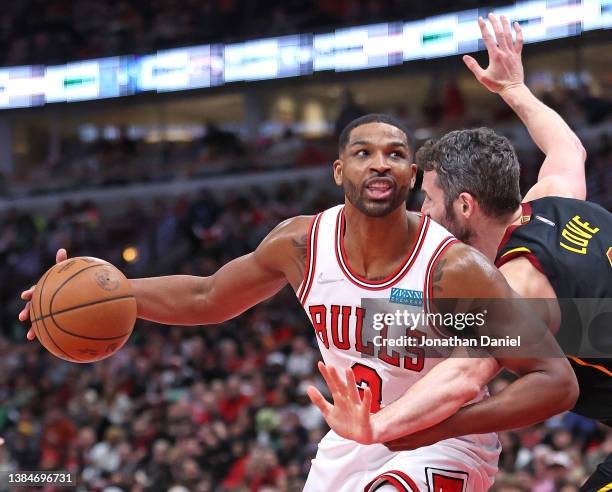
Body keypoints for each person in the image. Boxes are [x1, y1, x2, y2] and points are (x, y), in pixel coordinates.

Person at [19, 114, 577, 490]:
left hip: (443, 445)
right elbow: (207, 294)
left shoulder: (452, 270)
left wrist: (436, 430)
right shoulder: (301, 245)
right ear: (340, 172)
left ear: (412, 177)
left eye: (395, 154)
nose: (379, 162)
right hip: (351, 443)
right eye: (363, 152)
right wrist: (108, 293)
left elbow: (554, 380)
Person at [380, 13, 611, 492]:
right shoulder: (552, 201)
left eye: (430, 199)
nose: (422, 214)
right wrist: (513, 88)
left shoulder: (523, 285)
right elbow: (568, 147)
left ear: (465, 205)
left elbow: (465, 376)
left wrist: (378, 426)